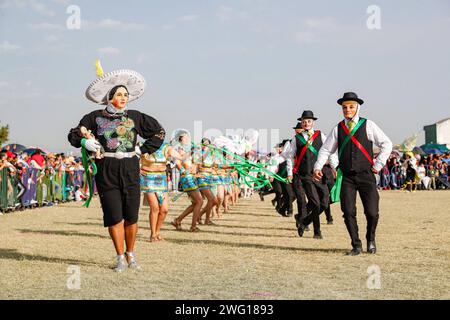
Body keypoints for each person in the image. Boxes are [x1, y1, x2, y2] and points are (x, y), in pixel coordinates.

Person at [68, 67, 165, 272]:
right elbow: (74, 134)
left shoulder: (136, 116)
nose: (123, 98)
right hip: (106, 170)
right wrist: (85, 143)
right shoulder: (94, 117)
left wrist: (142, 149)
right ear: (110, 97)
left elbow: (159, 132)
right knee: (114, 215)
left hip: (130, 168)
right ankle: (120, 256)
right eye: (119, 94)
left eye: (125, 95)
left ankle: (131, 253)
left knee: (131, 215)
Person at [313, 92, 392, 255]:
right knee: (348, 211)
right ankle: (356, 245)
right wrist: (317, 167)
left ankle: (371, 239)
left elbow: (387, 144)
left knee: (372, 212)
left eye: (351, 107)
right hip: (347, 177)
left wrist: (378, 165)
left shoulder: (368, 125)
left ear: (357, 108)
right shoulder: (337, 128)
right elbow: (326, 149)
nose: (347, 110)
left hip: (366, 175)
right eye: (344, 107)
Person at [286, 110, 337, 239]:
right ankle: (317, 231)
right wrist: (289, 173)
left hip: (319, 175)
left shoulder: (321, 136)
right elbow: (290, 157)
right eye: (304, 122)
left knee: (325, 202)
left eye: (308, 121)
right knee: (315, 203)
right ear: (301, 124)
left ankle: (303, 221)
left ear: (313, 122)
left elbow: (329, 151)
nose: (306, 123)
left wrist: (334, 166)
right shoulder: (296, 139)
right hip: (305, 176)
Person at [140, 141, 182, 242]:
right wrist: (137, 169)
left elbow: (179, 156)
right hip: (148, 178)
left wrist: (188, 153)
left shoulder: (166, 147)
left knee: (164, 209)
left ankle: (157, 231)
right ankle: (153, 234)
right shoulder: (143, 145)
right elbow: (132, 157)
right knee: (154, 207)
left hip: (161, 179)